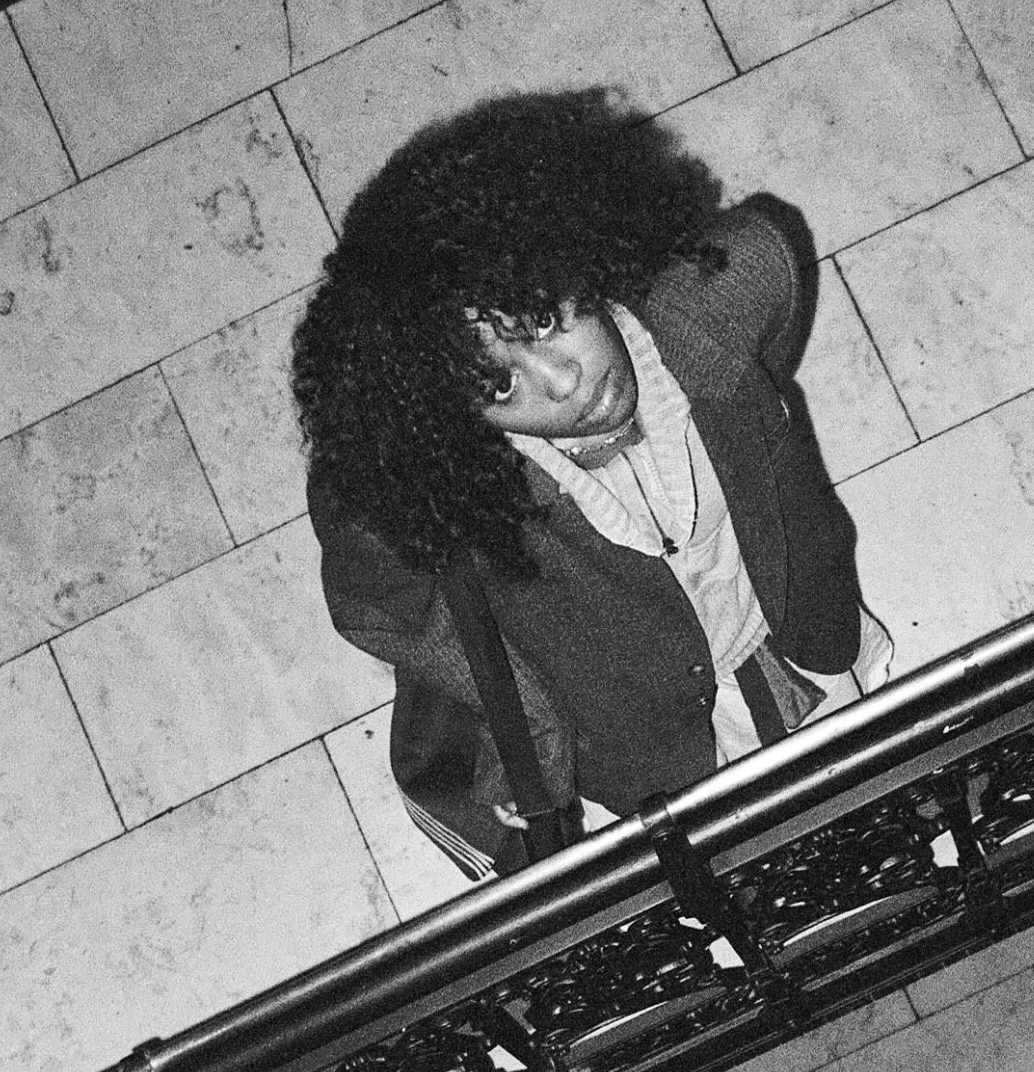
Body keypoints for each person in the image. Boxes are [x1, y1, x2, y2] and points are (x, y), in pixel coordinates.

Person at [292, 91, 889, 882]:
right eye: (500, 388)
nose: (563, 380)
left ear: (567, 253)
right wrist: (530, 715)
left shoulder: (706, 319)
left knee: (863, 812)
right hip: (641, 745)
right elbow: (372, 593)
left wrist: (751, 394)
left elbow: (768, 258)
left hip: (787, 633)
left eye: (539, 319)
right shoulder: (473, 494)